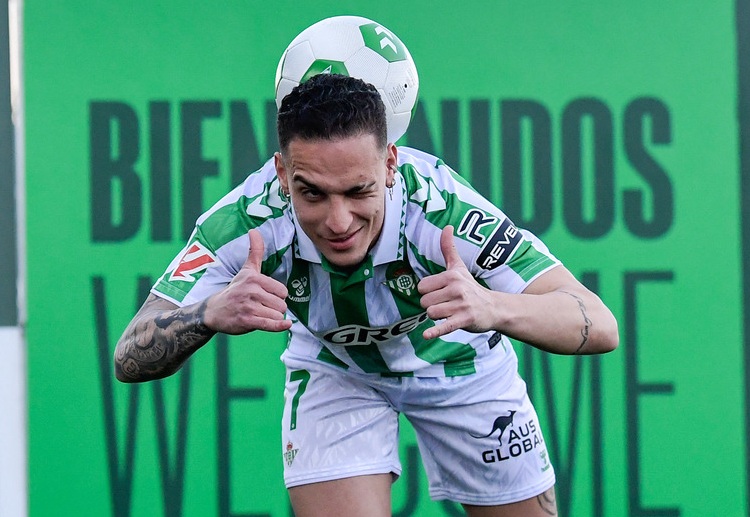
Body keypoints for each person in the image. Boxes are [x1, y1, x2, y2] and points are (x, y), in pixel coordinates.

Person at [114, 73, 619, 516]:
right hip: (337, 367)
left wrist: (493, 306)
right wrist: (207, 313)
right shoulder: (245, 222)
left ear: (390, 164)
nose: (338, 222)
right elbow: (128, 354)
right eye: (313, 193)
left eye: (359, 191)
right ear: (282, 173)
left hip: (459, 361)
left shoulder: (442, 209)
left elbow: (598, 323)